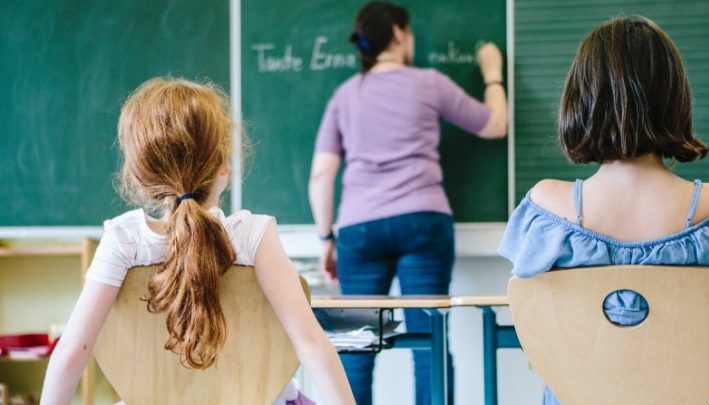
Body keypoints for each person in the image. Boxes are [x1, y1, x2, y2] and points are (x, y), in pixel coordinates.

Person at [498, 16, 709, 405]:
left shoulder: (546, 210)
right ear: (675, 100)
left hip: (583, 399)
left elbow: (531, 305)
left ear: (580, 100)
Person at [40, 78, 355, 405]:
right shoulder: (255, 234)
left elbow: (72, 353)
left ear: (140, 178)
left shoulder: (122, 240)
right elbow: (310, 344)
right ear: (224, 165)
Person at [307, 2, 507, 403]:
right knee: (429, 340)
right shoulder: (429, 83)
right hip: (422, 219)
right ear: (398, 34)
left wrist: (327, 239)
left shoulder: (345, 96)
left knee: (357, 348)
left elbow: (321, 176)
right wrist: (492, 74)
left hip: (360, 230)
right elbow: (495, 124)